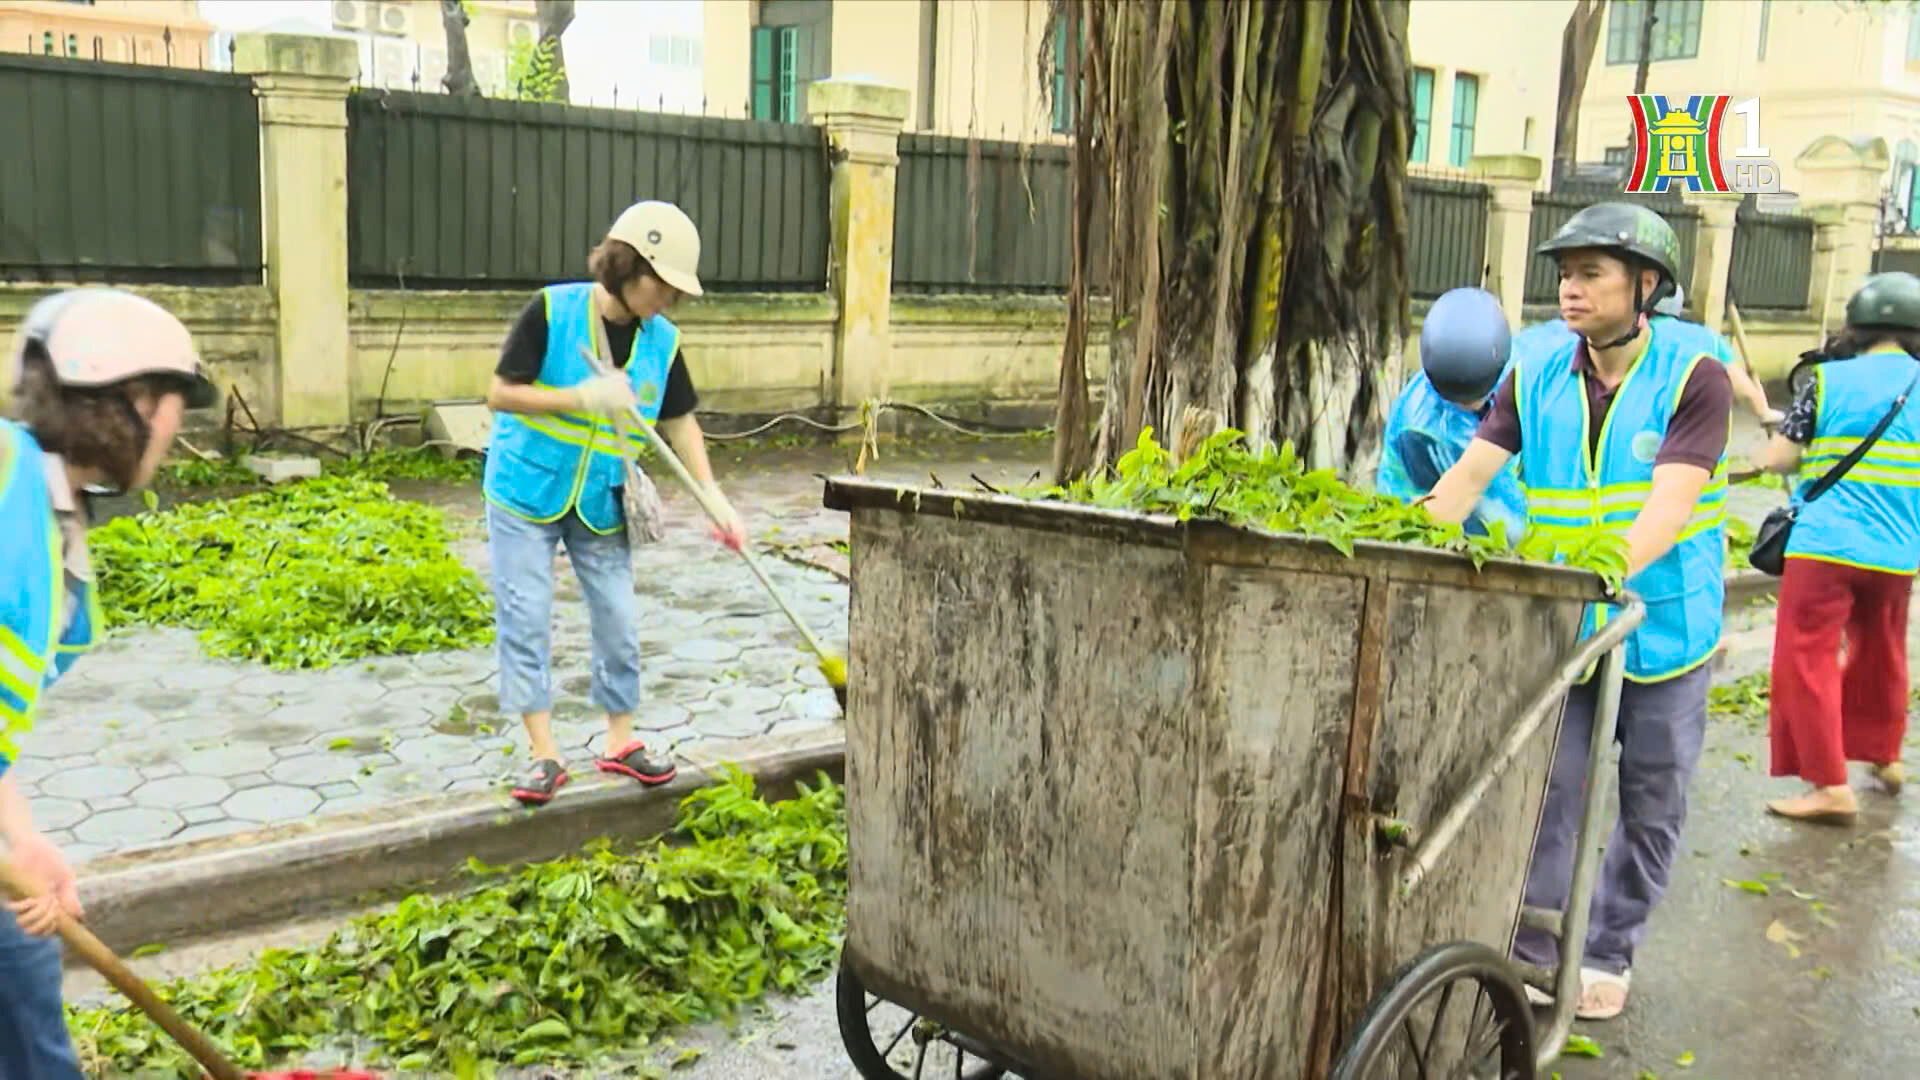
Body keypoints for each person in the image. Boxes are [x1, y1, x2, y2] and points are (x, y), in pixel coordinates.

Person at [1420, 202, 1734, 1021]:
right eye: (1564, 274)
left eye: (1591, 273)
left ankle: (1607, 949)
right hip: (1574, 634)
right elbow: (1464, 482)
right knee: (1549, 791)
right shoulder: (1535, 375)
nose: (1570, 290)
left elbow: (1670, 505)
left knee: (1651, 799)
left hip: (1665, 631)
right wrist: (1396, 541)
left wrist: (1607, 573)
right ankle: (1529, 948)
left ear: (1647, 285)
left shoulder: (1692, 377)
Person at [1, 288, 215, 1078]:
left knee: (21, 966)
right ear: (131, 397)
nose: (177, 430)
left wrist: (22, 839)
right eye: (173, 405)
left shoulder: (52, 514)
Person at [484, 199, 747, 807]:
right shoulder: (553, 310)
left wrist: (714, 498)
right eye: (662, 285)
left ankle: (619, 743)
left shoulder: (663, 339)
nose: (668, 300)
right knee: (526, 618)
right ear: (629, 268)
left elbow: (681, 425)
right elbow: (499, 393)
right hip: (525, 491)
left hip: (602, 501)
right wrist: (580, 396)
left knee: (619, 622)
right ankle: (544, 755)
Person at [1754, 271, 1920, 824]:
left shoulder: (1826, 382)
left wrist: (1773, 433)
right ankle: (1882, 753)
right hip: (1897, 553)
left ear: (1856, 326)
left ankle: (1829, 785)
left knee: (1807, 660)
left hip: (1825, 547)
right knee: (1884, 651)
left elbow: (1779, 459)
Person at [1377, 286, 1526, 540]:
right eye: (1458, 398)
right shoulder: (1422, 430)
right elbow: (1464, 506)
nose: (1467, 406)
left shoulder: (1518, 372)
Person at [1653, 285, 1782, 429]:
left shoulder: (1637, 334)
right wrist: (1763, 412)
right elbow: (1742, 389)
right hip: (1700, 436)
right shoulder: (1709, 339)